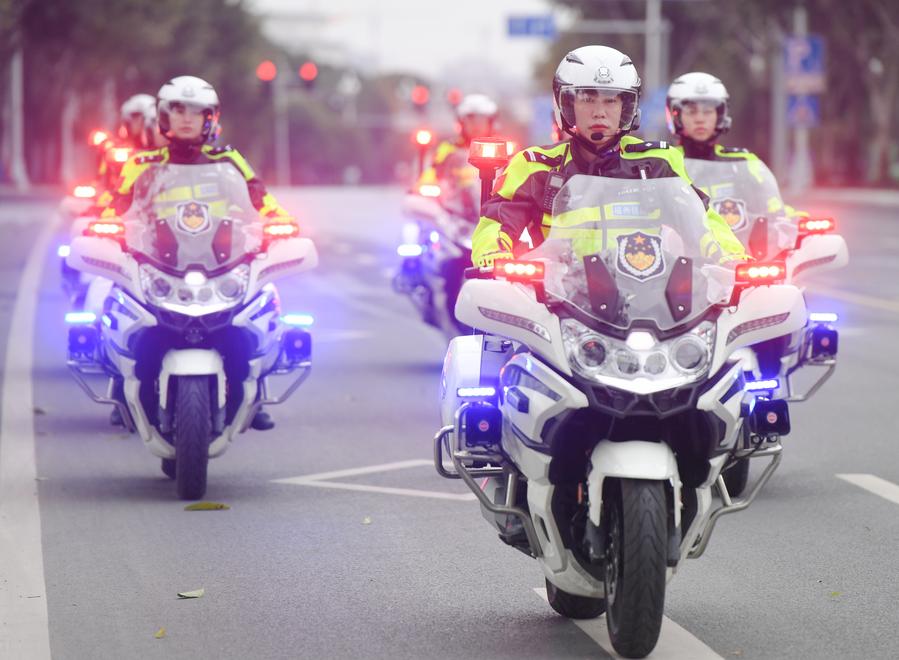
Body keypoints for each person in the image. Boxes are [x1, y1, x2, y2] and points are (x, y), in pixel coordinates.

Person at [101, 76, 292, 430]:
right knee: (129, 322)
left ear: (211, 118)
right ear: (162, 115)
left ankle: (254, 394)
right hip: (158, 264)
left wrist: (282, 225)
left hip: (221, 262)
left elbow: (261, 200)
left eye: (197, 112)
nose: (187, 118)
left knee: (252, 320)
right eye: (177, 110)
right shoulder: (142, 163)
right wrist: (103, 228)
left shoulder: (230, 160)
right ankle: (124, 390)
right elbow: (114, 207)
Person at [470, 46, 748, 268]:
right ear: (566, 104)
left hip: (650, 301)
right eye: (588, 99)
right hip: (556, 305)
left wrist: (731, 257)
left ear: (627, 106)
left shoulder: (657, 162)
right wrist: (494, 253)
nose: (600, 112)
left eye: (611, 100)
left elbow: (702, 221)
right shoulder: (535, 167)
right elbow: (496, 221)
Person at [665, 71, 807, 220]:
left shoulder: (743, 162)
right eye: (691, 112)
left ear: (720, 115)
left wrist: (796, 219)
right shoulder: (665, 162)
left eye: (708, 111)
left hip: (740, 243)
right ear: (676, 116)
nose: (700, 119)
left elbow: (773, 207)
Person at [418, 93, 498, 205]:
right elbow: (432, 172)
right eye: (470, 120)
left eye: (481, 120)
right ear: (461, 123)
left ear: (490, 123)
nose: (476, 125)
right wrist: (426, 184)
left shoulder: (503, 150)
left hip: (493, 214)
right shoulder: (448, 148)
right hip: (452, 211)